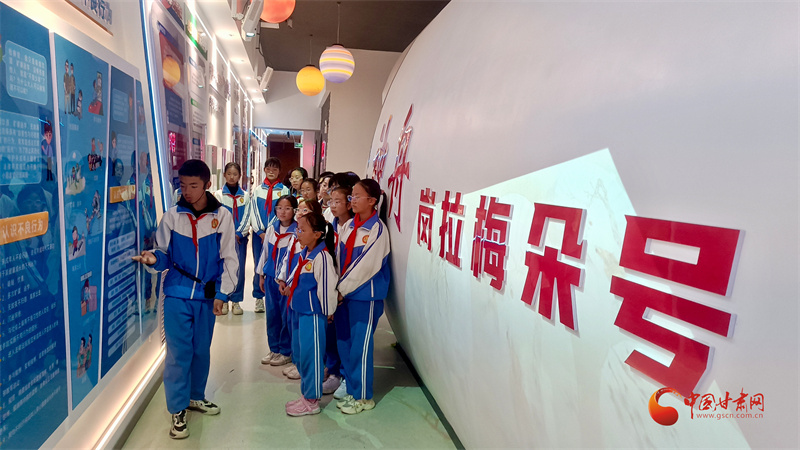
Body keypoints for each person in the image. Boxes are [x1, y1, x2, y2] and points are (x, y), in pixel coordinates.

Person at [132, 159, 238, 439]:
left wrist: (223, 294)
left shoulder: (222, 217)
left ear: (207, 185)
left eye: (193, 185)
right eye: (183, 185)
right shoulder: (171, 217)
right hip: (177, 294)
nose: (187, 191)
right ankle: (177, 409)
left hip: (207, 296)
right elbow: (163, 254)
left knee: (201, 350)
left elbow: (229, 257)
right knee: (179, 353)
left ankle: (195, 396)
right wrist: (153, 259)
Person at [334, 179, 390, 415]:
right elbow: (339, 260)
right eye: (352, 196)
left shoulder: (377, 230)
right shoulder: (348, 226)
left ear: (372, 201)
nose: (353, 200)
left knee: (361, 347)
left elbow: (366, 267)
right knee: (345, 343)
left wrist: (341, 290)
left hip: (365, 297)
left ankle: (364, 397)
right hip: (344, 295)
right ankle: (352, 388)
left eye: (357, 196)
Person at [283, 211, 338, 416]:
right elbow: (297, 275)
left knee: (312, 356)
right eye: (298, 229)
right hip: (299, 311)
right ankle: (306, 393)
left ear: (317, 234)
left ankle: (312, 400)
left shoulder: (322, 257)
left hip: (313, 315)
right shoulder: (306, 253)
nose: (298, 233)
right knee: (302, 355)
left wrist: (328, 312)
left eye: (302, 230)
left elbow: (327, 289)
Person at [256, 195, 297, 367]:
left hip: (286, 282)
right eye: (279, 208)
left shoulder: (297, 231)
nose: (283, 212)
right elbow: (265, 252)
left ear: (294, 210)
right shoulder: (272, 229)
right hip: (270, 278)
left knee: (285, 315)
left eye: (287, 208)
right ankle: (274, 348)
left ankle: (285, 350)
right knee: (272, 315)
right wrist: (261, 275)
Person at [325, 185, 355, 396]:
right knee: (330, 332)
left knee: (345, 336)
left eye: (338, 201)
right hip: (330, 287)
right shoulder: (330, 226)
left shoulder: (355, 228)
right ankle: (333, 371)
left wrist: (341, 289)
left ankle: (344, 375)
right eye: (331, 201)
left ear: (349, 203)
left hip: (345, 290)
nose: (333, 206)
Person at [249, 157, 289, 313]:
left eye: (275, 169)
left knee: (275, 264)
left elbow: (281, 211)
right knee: (258, 264)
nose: (271, 171)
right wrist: (260, 231)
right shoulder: (258, 190)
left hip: (277, 234)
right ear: (264, 170)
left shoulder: (284, 191)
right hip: (259, 235)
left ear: (279, 171)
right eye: (269, 168)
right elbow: (254, 211)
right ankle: (258, 297)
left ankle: (274, 295)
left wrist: (271, 229)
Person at [214, 162, 251, 315]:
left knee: (238, 269)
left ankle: (236, 300)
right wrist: (227, 234)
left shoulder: (245, 196)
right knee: (222, 268)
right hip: (222, 238)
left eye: (235, 174)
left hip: (240, 239)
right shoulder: (218, 195)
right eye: (229, 174)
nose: (231, 177)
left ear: (240, 176)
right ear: (224, 175)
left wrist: (239, 234)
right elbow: (216, 217)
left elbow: (247, 216)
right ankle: (223, 299)